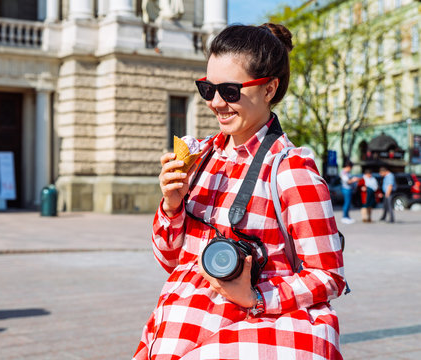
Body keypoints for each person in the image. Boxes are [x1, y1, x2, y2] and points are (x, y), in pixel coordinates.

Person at [133, 24, 346, 360]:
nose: (216, 103)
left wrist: (256, 297)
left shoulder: (290, 169)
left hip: (245, 335)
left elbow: (329, 276)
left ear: (269, 89)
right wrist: (172, 205)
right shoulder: (199, 158)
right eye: (207, 89)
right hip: (172, 332)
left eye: (230, 91)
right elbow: (171, 260)